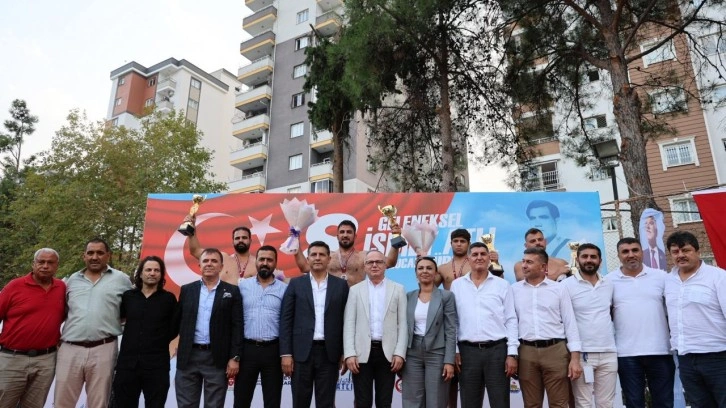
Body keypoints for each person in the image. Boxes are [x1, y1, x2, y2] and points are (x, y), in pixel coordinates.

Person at [55, 238, 132, 408]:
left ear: (108, 255)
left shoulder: (122, 280)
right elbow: (62, 311)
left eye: (100, 253)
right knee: (62, 402)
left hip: (104, 348)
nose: (94, 257)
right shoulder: (71, 280)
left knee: (99, 403)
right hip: (70, 348)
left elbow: (132, 310)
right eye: (90, 253)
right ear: (84, 256)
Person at [279, 241, 350, 407]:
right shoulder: (296, 284)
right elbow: (286, 320)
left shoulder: (340, 285)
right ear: (308, 259)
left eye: (322, 255)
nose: (317, 258)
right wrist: (286, 353)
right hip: (301, 353)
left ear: (329, 259)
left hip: (329, 354)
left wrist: (345, 352)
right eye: (313, 255)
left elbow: (346, 320)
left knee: (326, 403)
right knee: (300, 402)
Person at [606, 237, 674, 408]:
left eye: (635, 250)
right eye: (625, 252)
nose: (631, 255)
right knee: (634, 403)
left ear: (642, 253)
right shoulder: (608, 281)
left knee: (664, 402)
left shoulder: (661, 277)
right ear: (618, 255)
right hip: (626, 353)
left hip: (660, 350)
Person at [512, 247, 582, 408]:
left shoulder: (559, 289)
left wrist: (575, 359)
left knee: (559, 404)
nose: (524, 266)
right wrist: (512, 354)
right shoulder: (514, 290)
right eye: (523, 261)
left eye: (529, 262)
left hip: (555, 351)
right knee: (531, 404)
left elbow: (570, 323)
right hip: (526, 352)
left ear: (543, 267)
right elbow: (511, 324)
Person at [449, 243, 517, 408]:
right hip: (467, 353)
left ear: (489, 258)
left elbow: (511, 319)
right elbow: (453, 321)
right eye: (475, 254)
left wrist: (512, 353)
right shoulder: (457, 285)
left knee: (500, 403)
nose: (479, 257)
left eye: (483, 254)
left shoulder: (502, 284)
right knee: (469, 403)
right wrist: (455, 350)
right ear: (468, 259)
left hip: (497, 351)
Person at [664, 231, 726, 407]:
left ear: (697, 251)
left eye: (686, 250)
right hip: (685, 358)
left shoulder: (718, 277)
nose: (680, 255)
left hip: (718, 357)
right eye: (675, 252)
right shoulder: (668, 281)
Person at [174, 248, 243, 408]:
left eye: (214, 261)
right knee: (186, 405)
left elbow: (237, 326)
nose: (209, 264)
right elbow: (177, 322)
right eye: (205, 261)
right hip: (188, 357)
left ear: (221, 266)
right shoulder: (187, 290)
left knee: (214, 405)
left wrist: (235, 357)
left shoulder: (232, 291)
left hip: (217, 358)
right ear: (199, 265)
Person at [0, 248, 65, 408]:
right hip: (12, 359)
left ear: (57, 266)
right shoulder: (15, 286)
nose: (45, 266)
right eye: (41, 262)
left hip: (46, 360)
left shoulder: (61, 288)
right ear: (33, 264)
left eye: (50, 262)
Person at [344, 250, 408, 408]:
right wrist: (350, 353)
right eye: (370, 262)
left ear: (385, 265)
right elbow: (349, 323)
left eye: (379, 262)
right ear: (364, 266)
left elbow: (403, 324)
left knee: (384, 402)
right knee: (362, 402)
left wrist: (399, 353)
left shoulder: (398, 289)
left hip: (388, 355)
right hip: (361, 354)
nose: (374, 265)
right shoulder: (355, 290)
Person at [113, 256, 178, 408]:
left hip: (157, 365)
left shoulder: (168, 299)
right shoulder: (128, 297)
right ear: (141, 274)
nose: (152, 273)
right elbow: (119, 319)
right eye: (148, 270)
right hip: (127, 364)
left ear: (161, 275)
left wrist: (158, 340)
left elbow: (174, 328)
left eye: (156, 270)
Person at [562, 243, 617, 408]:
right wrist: (574, 357)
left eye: (593, 257)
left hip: (609, 352)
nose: (589, 260)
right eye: (584, 256)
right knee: (583, 403)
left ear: (600, 260)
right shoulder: (566, 285)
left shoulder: (609, 284)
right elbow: (566, 321)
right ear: (577, 259)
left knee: (606, 403)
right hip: (582, 354)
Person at [235, 245, 287, 408]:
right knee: (241, 401)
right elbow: (235, 322)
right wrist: (234, 355)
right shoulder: (243, 287)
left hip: (273, 351)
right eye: (262, 259)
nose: (265, 263)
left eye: (269, 260)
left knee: (272, 402)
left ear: (275, 263)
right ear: (256, 261)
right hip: (247, 350)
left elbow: (288, 324)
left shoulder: (285, 289)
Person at [401, 256, 457, 408]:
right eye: (420, 268)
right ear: (416, 273)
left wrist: (449, 361)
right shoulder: (408, 296)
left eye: (429, 268)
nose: (424, 271)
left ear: (436, 273)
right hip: (412, 353)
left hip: (437, 353)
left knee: (436, 400)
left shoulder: (446, 296)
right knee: (412, 400)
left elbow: (451, 330)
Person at [294, 220, 400, 286]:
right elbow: (304, 267)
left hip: (356, 300)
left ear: (355, 236)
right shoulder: (328, 257)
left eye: (349, 232)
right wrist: (295, 240)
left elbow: (390, 262)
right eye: (342, 232)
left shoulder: (363, 256)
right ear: (337, 236)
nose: (345, 235)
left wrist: (396, 236)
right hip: (333, 302)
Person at [184, 214, 259, 284]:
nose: (240, 240)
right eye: (237, 238)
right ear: (232, 242)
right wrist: (191, 228)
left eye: (244, 238)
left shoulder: (258, 263)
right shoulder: (222, 258)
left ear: (250, 241)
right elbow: (195, 250)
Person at [438, 229, 504, 289]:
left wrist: (496, 263)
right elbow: (431, 288)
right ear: (451, 243)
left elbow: (500, 282)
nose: (459, 244)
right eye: (455, 241)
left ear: (469, 244)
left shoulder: (480, 264)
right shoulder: (442, 269)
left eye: (462, 241)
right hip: (451, 299)